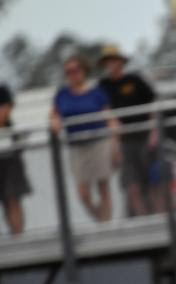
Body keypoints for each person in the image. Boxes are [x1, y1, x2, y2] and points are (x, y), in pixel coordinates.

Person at [51, 55, 121, 223]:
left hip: (99, 142)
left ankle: (106, 225)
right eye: (68, 71)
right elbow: (54, 114)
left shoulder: (96, 93)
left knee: (103, 188)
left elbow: (110, 118)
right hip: (76, 146)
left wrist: (115, 146)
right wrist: (55, 123)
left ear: (84, 71)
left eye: (76, 70)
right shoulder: (62, 94)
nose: (72, 74)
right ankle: (99, 218)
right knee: (83, 193)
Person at [97, 45, 161, 216]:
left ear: (121, 62)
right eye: (108, 61)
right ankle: (143, 221)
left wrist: (153, 132)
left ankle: (158, 217)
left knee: (153, 181)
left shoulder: (135, 80)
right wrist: (114, 145)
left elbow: (152, 104)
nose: (112, 64)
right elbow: (104, 113)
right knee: (132, 185)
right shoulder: (103, 85)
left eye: (114, 60)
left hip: (144, 136)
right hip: (123, 141)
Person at [0, 82, 31, 235]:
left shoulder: (14, 129)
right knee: (6, 203)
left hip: (12, 164)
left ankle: (19, 234)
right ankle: (14, 234)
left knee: (13, 200)